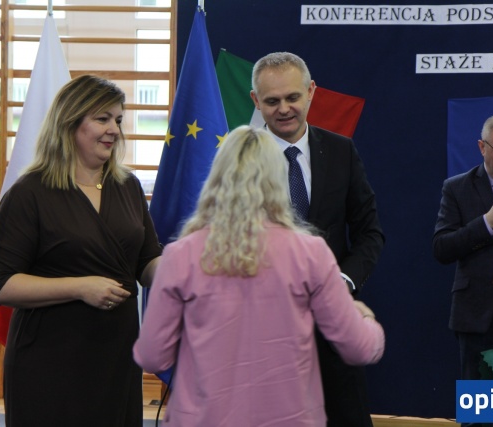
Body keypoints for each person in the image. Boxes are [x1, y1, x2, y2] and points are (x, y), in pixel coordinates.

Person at [133, 125, 385, 427]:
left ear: (217, 178)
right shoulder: (310, 253)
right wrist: (365, 319)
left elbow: (152, 356)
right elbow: (359, 347)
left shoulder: (180, 256)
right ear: (278, 180)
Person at [0, 75, 162, 427]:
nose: (114, 130)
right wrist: (80, 287)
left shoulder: (128, 186)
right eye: (102, 118)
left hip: (117, 354)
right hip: (49, 359)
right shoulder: (29, 193)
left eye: (118, 119)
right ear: (69, 122)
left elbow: (146, 263)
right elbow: (0, 284)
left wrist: (187, 265)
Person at [249, 51, 385, 426]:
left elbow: (370, 232)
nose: (284, 109)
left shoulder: (341, 151)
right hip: (263, 333)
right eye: (272, 101)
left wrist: (340, 282)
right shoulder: (239, 160)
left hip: (334, 326)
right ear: (256, 101)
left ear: (311, 92)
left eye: (293, 97)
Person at [433, 113, 493, 427]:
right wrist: (488, 222)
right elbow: (442, 248)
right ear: (481, 147)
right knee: (478, 414)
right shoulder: (457, 188)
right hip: (479, 317)